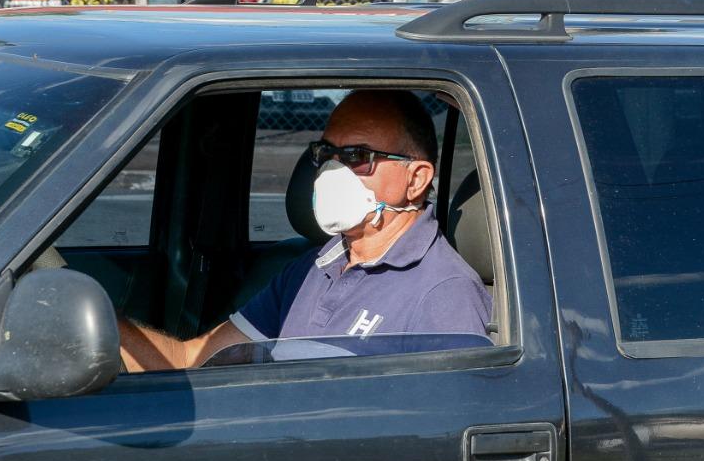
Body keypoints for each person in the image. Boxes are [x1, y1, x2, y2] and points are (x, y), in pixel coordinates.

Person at [119, 89, 492, 371]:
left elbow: (443, 432)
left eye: (357, 157)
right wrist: (100, 329)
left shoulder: (444, 292)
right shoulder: (310, 267)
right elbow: (192, 360)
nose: (333, 170)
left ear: (416, 180)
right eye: (326, 152)